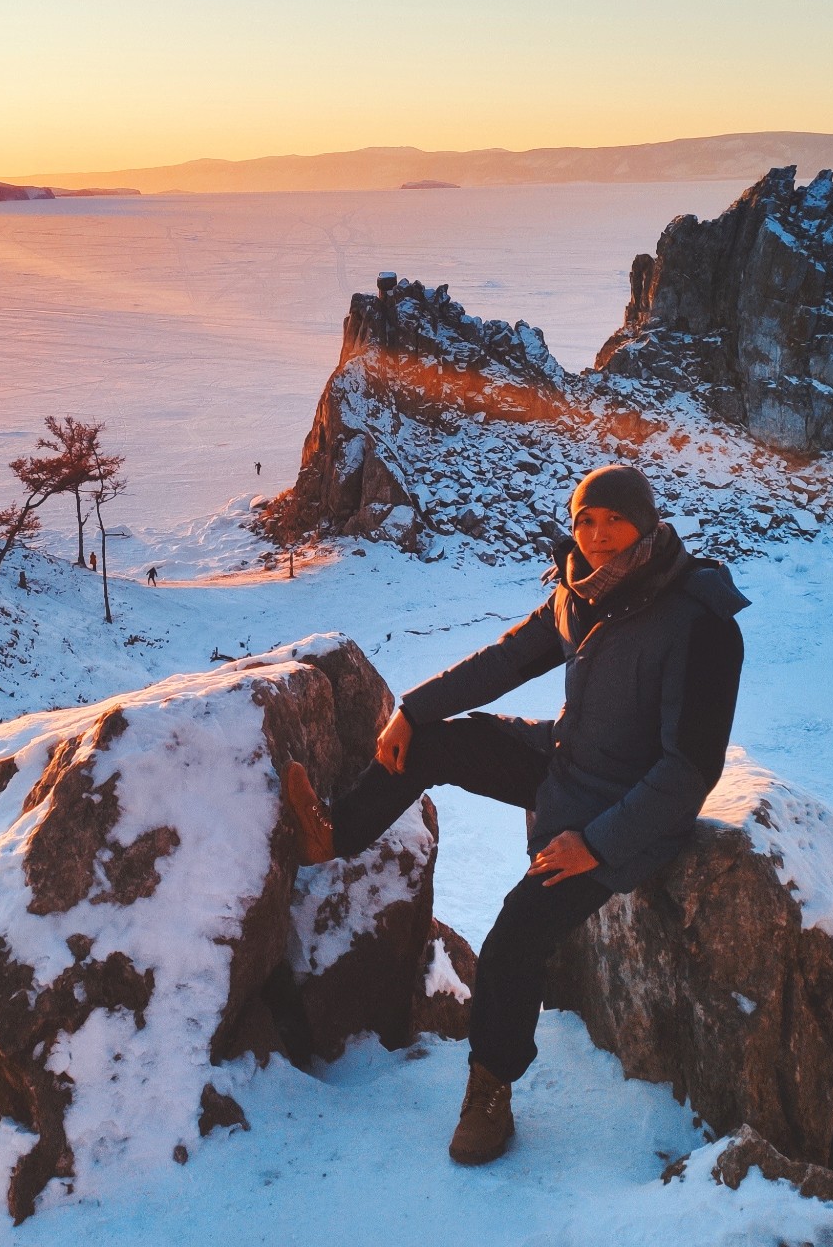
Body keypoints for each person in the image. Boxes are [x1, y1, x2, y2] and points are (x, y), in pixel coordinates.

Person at [283, 463, 746, 1166]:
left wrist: (593, 843)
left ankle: (490, 1092)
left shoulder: (698, 621)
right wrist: (411, 708)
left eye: (613, 520)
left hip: (622, 818)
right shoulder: (583, 594)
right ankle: (334, 836)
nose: (595, 535)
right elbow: (505, 659)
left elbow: (690, 769)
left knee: (511, 943)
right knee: (436, 743)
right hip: (563, 761)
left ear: (646, 522)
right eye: (585, 519)